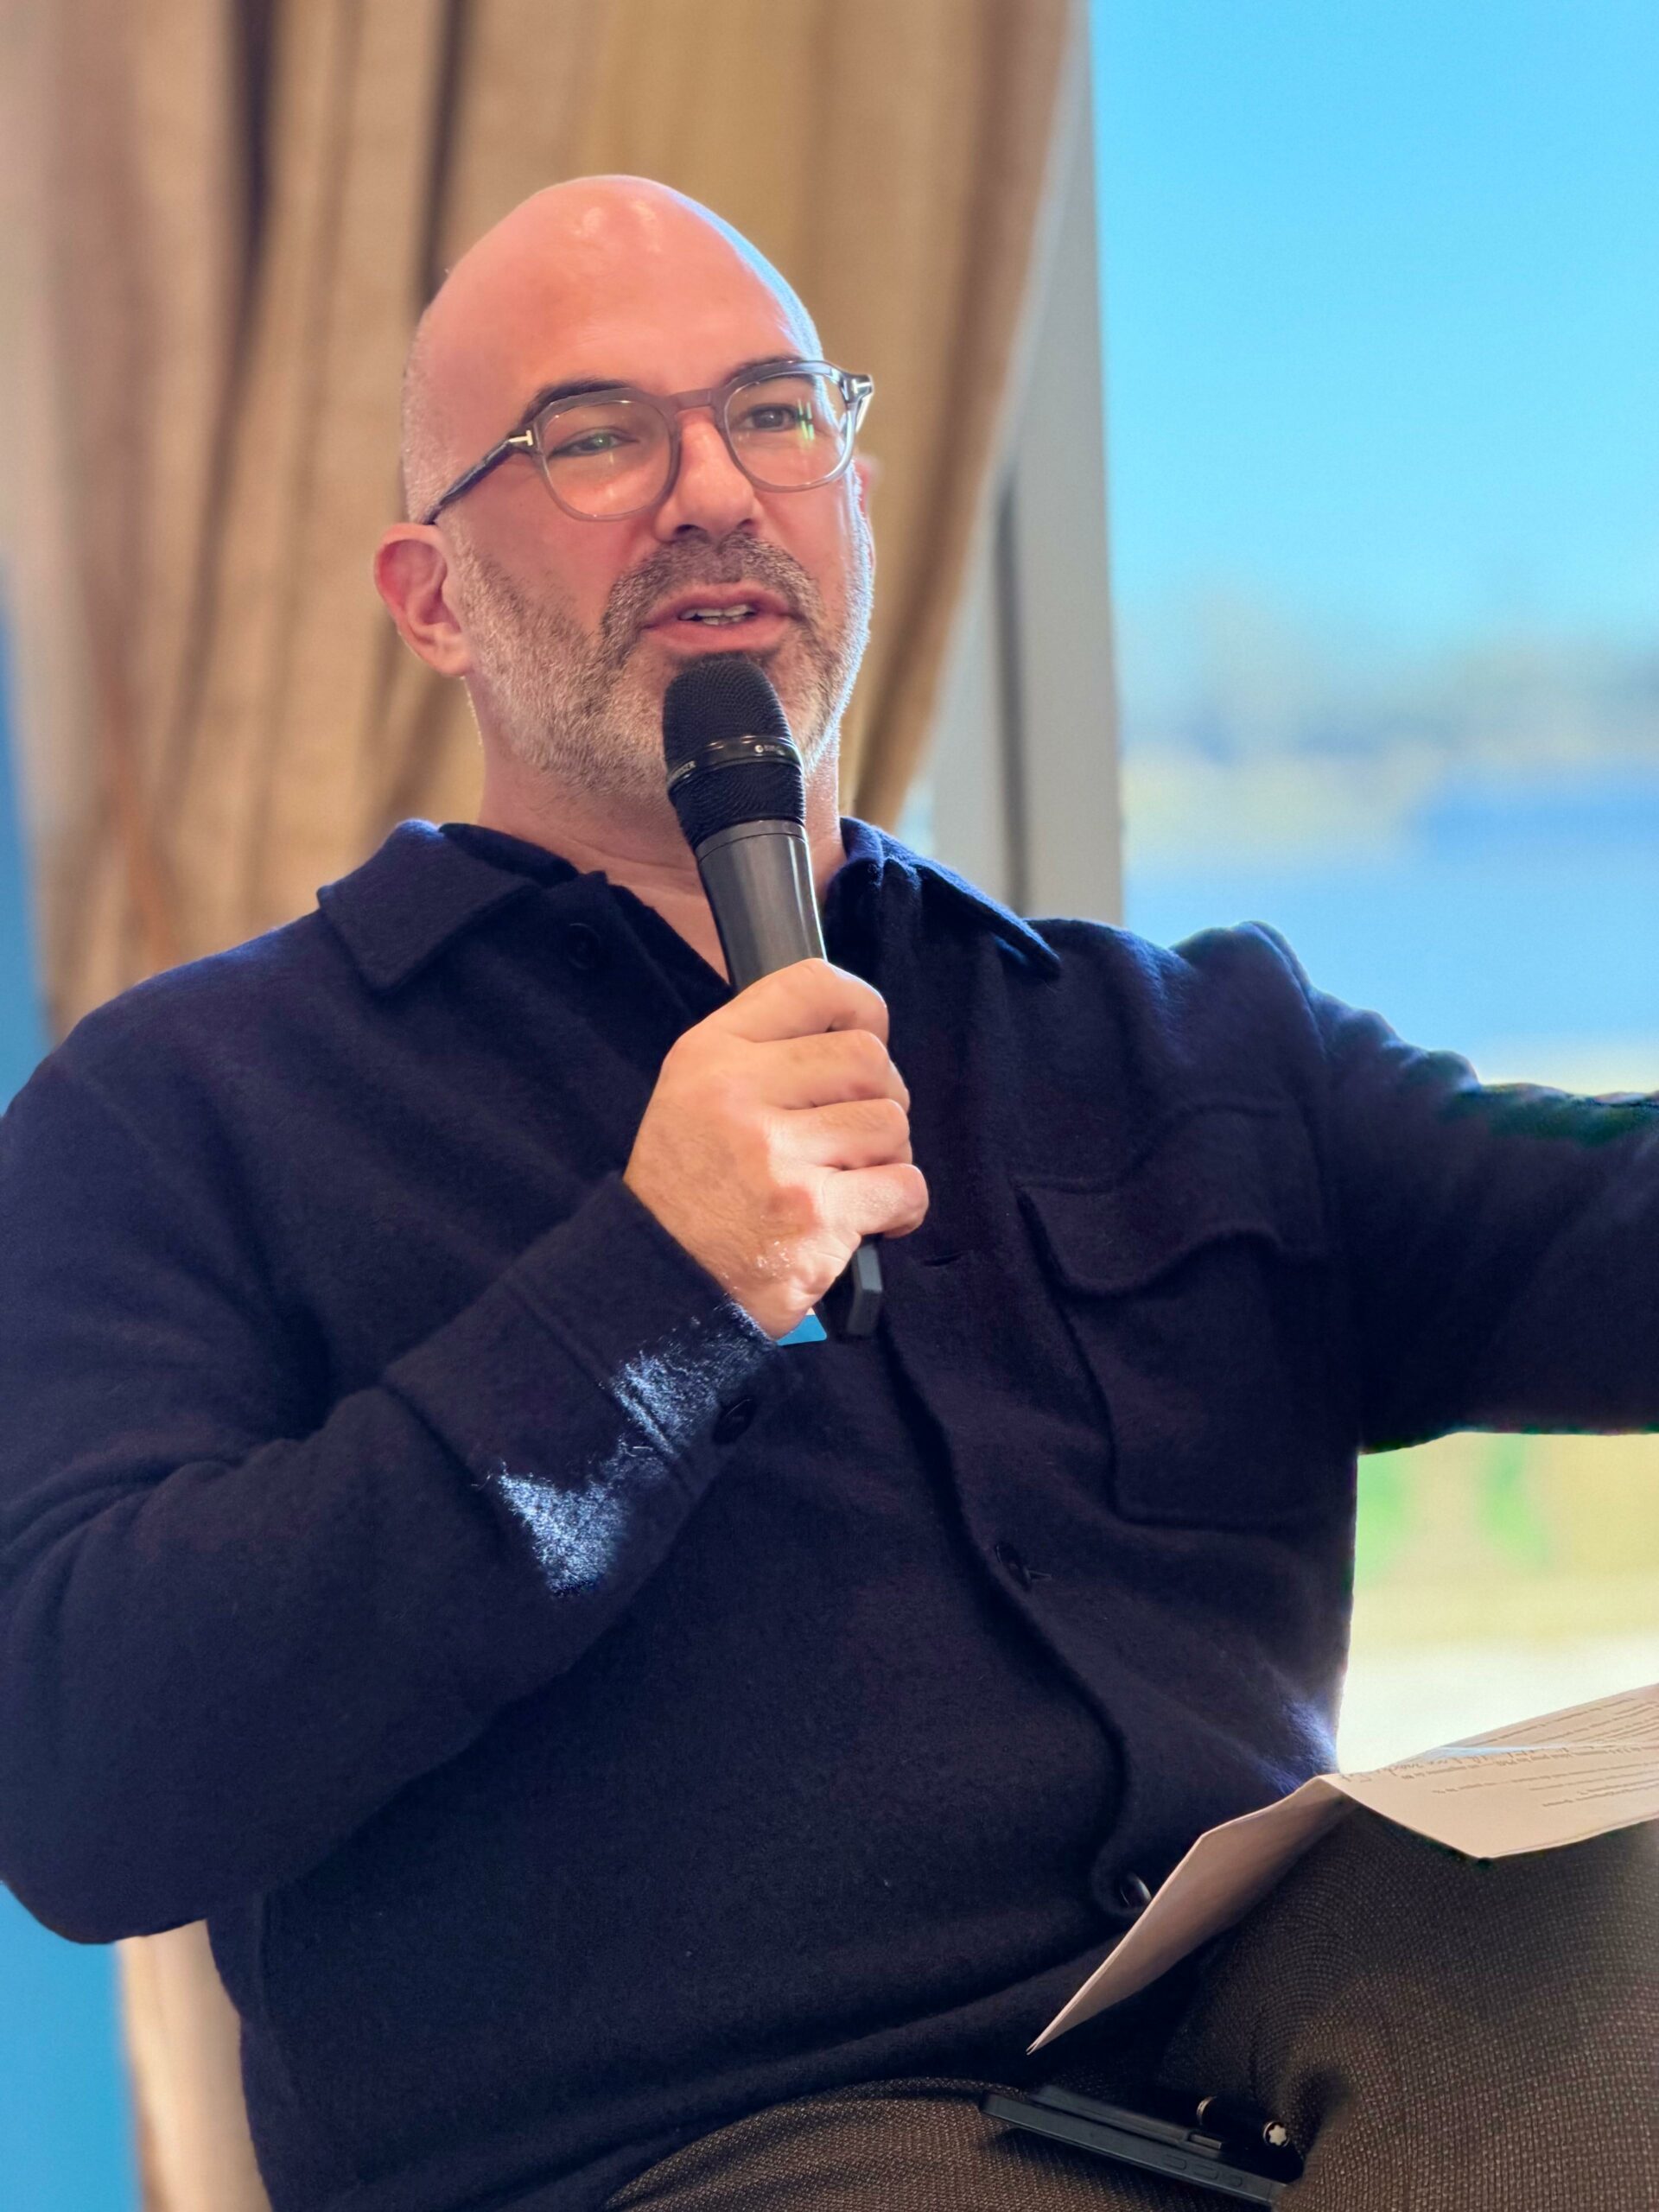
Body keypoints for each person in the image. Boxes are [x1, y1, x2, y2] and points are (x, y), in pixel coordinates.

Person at [0, 177, 1651, 2212]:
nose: (713, 488)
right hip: (703, 2140)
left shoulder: (1186, 1036)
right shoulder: (184, 1106)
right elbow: (82, 1772)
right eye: (596, 435)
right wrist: (656, 1286)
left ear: (853, 500)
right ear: (430, 598)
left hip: (1287, 2028)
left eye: (774, 412)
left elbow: (1609, 1235)